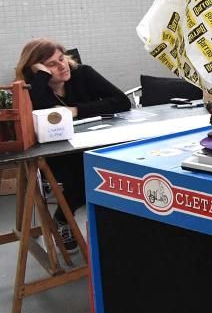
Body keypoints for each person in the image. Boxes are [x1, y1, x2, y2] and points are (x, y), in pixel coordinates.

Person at [15, 39, 130, 252]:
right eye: (50, 64)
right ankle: (63, 217)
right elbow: (34, 113)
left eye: (61, 59)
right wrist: (41, 78)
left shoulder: (83, 74)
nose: (62, 66)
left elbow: (122, 101)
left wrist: (76, 110)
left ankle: (94, 220)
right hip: (57, 152)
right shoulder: (34, 88)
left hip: (94, 142)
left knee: (110, 167)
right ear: (35, 69)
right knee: (79, 174)